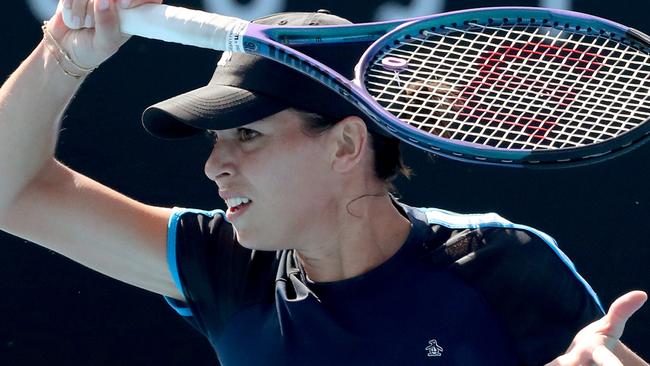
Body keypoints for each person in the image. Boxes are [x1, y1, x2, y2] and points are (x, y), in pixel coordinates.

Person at [0, 0, 647, 365]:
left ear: (344, 143)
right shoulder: (225, 266)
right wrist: (63, 56)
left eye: (246, 134)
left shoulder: (502, 265)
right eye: (216, 139)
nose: (213, 165)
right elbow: (13, 193)